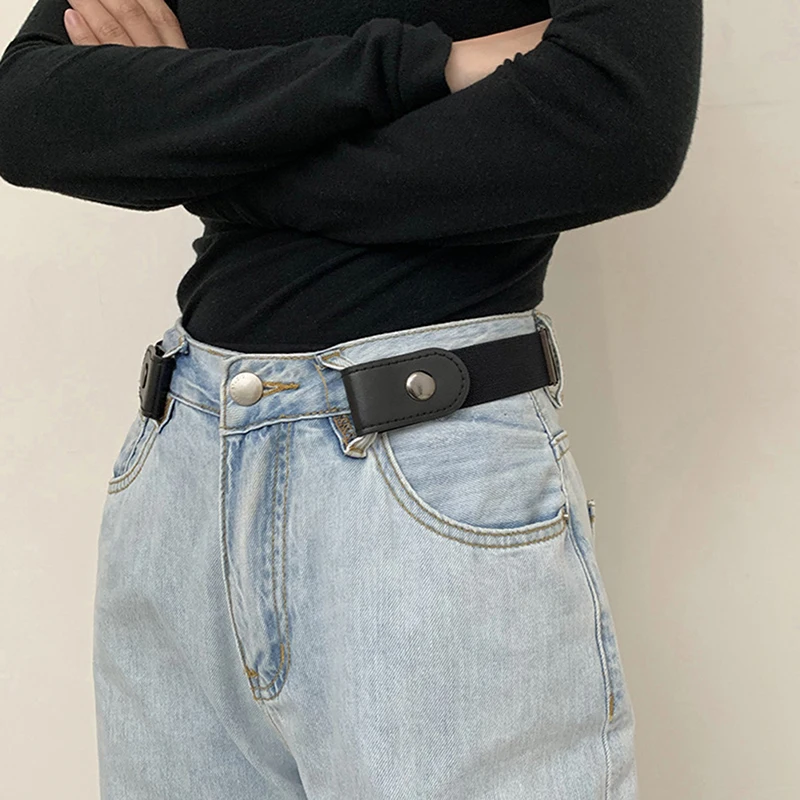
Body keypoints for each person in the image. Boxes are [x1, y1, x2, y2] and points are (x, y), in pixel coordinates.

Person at [0, 1, 702, 797]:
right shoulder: (426, 64)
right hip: (180, 469)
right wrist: (427, 67)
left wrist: (213, 149)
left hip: (428, 476)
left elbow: (617, 119)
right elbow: (30, 110)